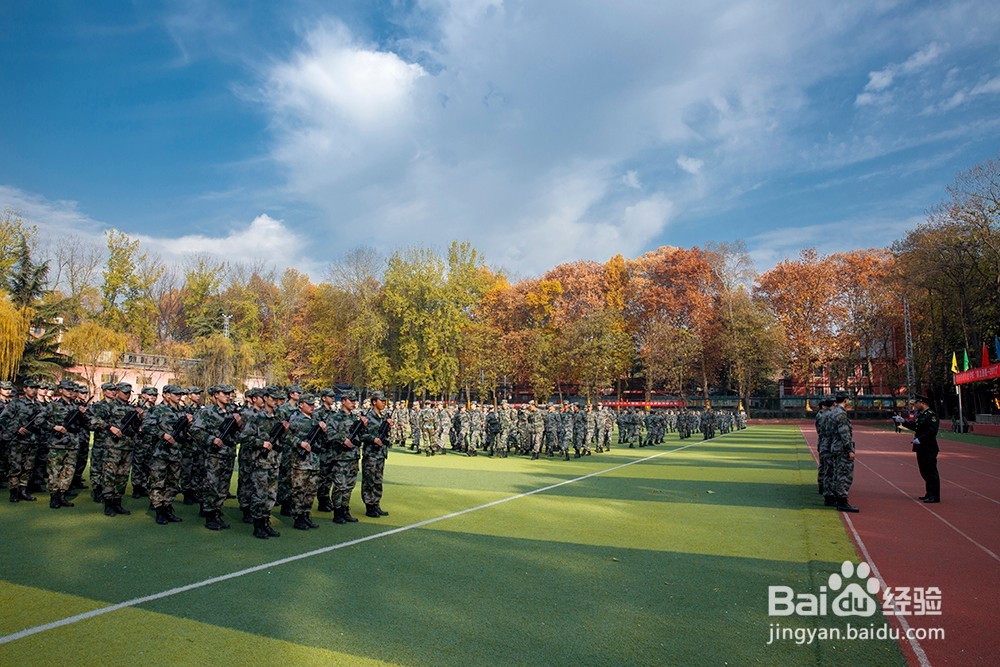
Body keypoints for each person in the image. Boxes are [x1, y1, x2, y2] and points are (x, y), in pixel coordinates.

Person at [901, 395, 941, 503]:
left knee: (931, 471)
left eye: (916, 403)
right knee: (924, 471)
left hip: (929, 447)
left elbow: (932, 431)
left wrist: (920, 440)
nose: (915, 406)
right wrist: (903, 422)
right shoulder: (921, 415)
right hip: (921, 448)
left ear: (922, 403)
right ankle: (929, 493)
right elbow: (915, 427)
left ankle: (935, 495)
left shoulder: (931, 415)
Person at [824, 392, 859, 513]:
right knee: (844, 474)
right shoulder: (841, 414)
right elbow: (844, 434)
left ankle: (838, 498)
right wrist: (849, 449)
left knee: (837, 473)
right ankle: (842, 501)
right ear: (846, 400)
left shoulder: (832, 412)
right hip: (841, 448)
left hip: (834, 446)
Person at [361, 391, 390, 518]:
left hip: (380, 453)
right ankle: (369, 505)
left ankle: (376, 504)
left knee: (378, 480)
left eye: (384, 401)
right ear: (374, 402)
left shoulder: (382, 417)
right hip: (371, 454)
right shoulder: (367, 417)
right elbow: (361, 434)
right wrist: (372, 439)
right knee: (369, 481)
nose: (384, 403)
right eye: (381, 401)